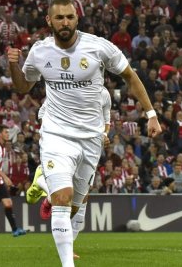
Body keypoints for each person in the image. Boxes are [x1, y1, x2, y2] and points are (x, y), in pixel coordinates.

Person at [8, 0, 161, 267]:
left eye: (69, 16)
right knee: (63, 200)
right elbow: (23, 88)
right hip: (56, 133)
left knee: (76, 205)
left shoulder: (99, 47)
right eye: (59, 18)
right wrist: (13, 65)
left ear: (77, 18)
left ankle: (44, 183)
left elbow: (130, 77)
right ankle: (68, 264)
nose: (65, 22)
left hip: (90, 139)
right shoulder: (40, 51)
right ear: (49, 21)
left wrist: (151, 114)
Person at [26, 86, 112, 259]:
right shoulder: (64, 85)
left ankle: (45, 188)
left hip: (88, 146)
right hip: (62, 145)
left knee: (83, 196)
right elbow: (42, 114)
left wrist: (104, 135)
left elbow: (106, 121)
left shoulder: (103, 94)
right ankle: (48, 189)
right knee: (66, 193)